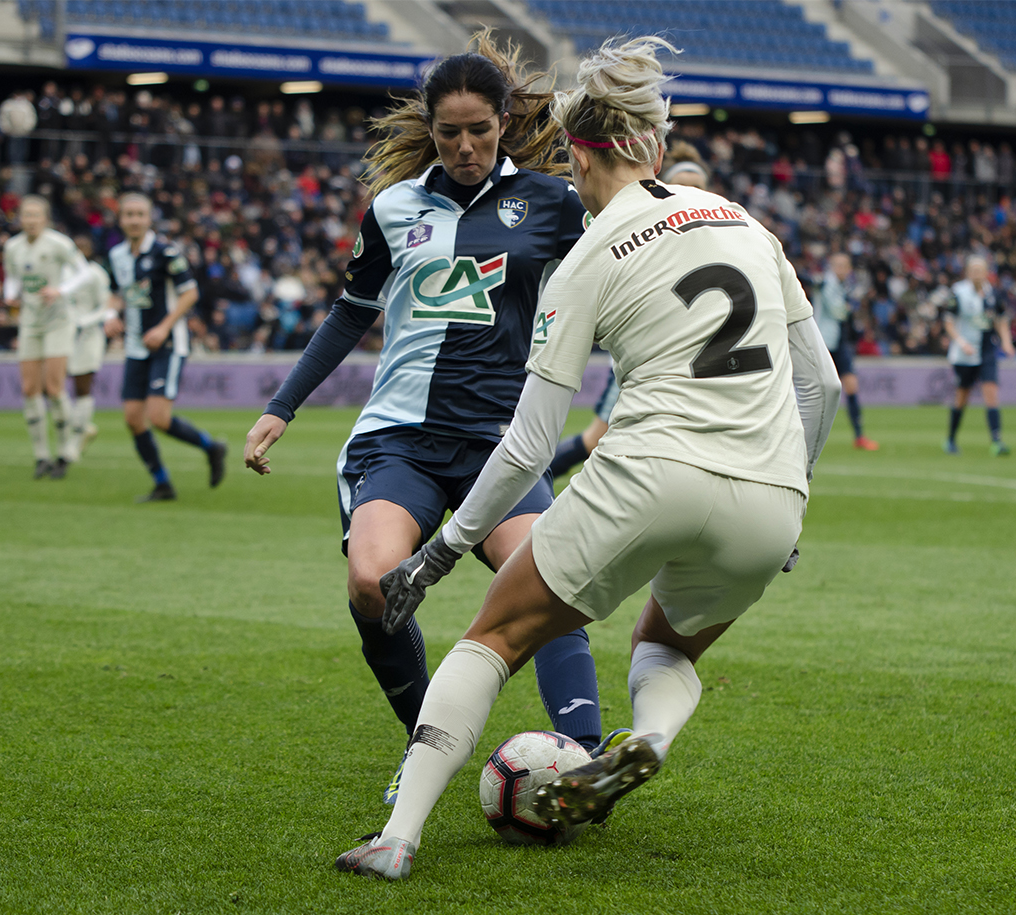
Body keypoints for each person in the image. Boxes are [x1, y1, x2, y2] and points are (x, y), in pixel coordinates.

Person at [335, 36, 842, 881]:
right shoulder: (744, 222)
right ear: (651, 141)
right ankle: (642, 740)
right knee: (666, 651)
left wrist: (446, 548)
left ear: (577, 155)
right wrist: (795, 500)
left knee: (491, 638)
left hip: (650, 470)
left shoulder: (588, 253)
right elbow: (819, 383)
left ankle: (398, 835)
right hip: (769, 492)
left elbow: (530, 442)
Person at [243, 31, 607, 806]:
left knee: (550, 582)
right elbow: (349, 314)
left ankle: (588, 761)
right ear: (432, 131)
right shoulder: (393, 207)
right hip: (399, 441)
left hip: (501, 448)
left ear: (505, 122)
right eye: (450, 132)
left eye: (480, 129)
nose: (467, 145)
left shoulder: (552, 204)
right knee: (373, 583)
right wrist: (282, 406)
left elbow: (617, 283)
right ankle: (424, 748)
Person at [548, 140, 712, 477]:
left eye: (698, 187)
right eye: (682, 185)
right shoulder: (647, 232)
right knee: (599, 440)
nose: (690, 192)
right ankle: (532, 479)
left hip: (695, 363)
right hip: (643, 362)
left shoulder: (718, 234)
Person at [105, 193, 226, 501]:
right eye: (128, 214)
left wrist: (163, 326)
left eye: (140, 214)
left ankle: (210, 447)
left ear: (149, 219)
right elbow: (116, 293)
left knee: (158, 417)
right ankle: (162, 483)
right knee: (133, 418)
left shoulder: (166, 252)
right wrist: (109, 315)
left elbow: (190, 293)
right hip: (135, 345)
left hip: (169, 343)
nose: (134, 219)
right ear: (121, 219)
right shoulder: (118, 255)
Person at [3, 195, 91, 479]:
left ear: (45, 218)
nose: (30, 220)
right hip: (30, 322)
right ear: (20, 218)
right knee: (30, 388)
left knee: (54, 388)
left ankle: (66, 451)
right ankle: (41, 455)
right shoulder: (13, 247)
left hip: (58, 321)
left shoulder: (58, 244)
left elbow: (84, 272)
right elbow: (12, 277)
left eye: (35, 215)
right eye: (25, 215)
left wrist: (61, 290)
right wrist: (10, 297)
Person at [943, 255, 1015, 456]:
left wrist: (1007, 342)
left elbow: (1001, 320)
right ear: (967, 273)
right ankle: (950, 439)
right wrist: (962, 343)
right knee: (962, 397)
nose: (976, 274)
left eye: (980, 270)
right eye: (973, 270)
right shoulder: (958, 293)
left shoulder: (993, 295)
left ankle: (996, 441)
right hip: (965, 353)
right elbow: (948, 323)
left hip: (986, 350)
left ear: (986, 273)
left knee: (991, 392)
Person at [813, 252, 879, 450]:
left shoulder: (844, 286)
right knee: (815, 391)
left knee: (851, 386)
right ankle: (800, 435)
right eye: (837, 265)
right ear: (831, 266)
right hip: (822, 342)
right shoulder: (826, 283)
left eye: (845, 266)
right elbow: (838, 311)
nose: (841, 269)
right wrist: (852, 304)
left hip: (839, 342)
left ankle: (859, 437)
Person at [63, 236, 113, 462]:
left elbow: (105, 307)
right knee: (54, 387)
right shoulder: (64, 273)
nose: (80, 251)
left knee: (82, 387)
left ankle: (74, 441)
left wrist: (83, 322)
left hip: (89, 337)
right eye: (77, 247)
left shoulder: (96, 274)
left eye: (85, 247)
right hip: (64, 335)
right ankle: (83, 427)